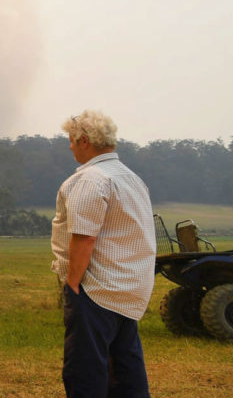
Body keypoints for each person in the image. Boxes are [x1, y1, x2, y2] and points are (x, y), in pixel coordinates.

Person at [51, 110, 154, 398]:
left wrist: (72, 284)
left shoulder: (90, 180)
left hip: (95, 289)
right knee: (125, 366)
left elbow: (84, 238)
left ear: (84, 140)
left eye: (71, 141)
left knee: (85, 369)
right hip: (129, 287)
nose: (70, 147)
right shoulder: (132, 179)